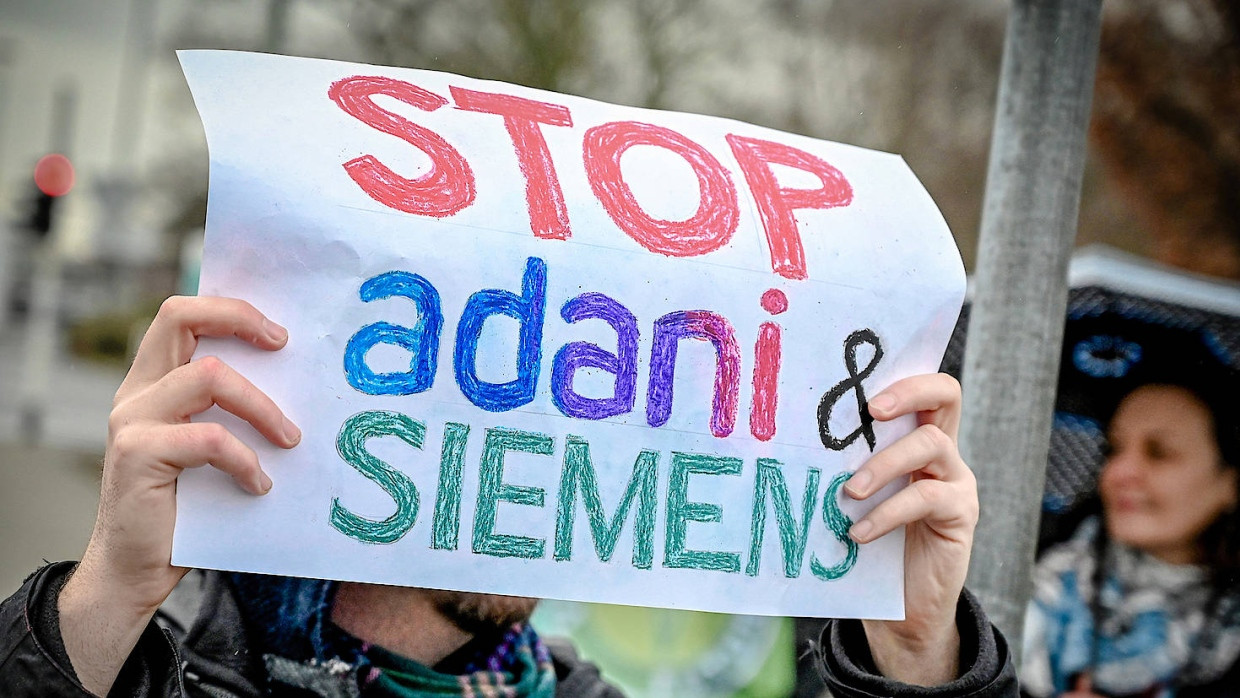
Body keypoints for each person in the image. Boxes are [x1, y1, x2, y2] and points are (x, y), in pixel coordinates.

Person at [1, 296, 1014, 697]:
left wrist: (919, 651)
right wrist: (108, 589)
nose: (556, 442)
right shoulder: (164, 675)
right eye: (501, 382)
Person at [1022, 372, 1240, 697]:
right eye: (1114, 449)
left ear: (1231, 482)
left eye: (1160, 452)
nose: (1118, 472)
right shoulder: (1034, 572)